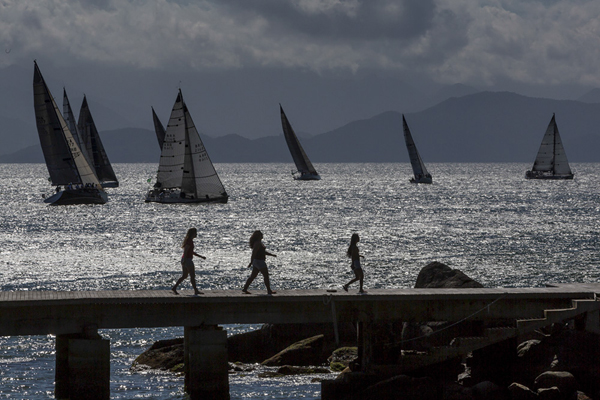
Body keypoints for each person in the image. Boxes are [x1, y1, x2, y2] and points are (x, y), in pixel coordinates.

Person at [171, 228, 205, 295]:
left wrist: (201, 256)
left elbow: (191, 252)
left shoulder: (189, 241)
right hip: (187, 260)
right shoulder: (189, 241)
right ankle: (196, 290)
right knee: (192, 275)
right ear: (193, 234)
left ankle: (174, 287)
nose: (196, 234)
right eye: (195, 233)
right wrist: (185, 260)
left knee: (184, 276)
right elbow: (186, 251)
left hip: (185, 259)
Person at [242, 230, 277, 295]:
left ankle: (245, 288)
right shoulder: (257, 243)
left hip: (257, 261)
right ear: (259, 236)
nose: (262, 235)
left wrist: (271, 254)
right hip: (259, 261)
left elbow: (262, 252)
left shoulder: (259, 243)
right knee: (266, 275)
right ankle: (269, 290)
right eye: (261, 234)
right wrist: (251, 262)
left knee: (253, 276)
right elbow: (254, 253)